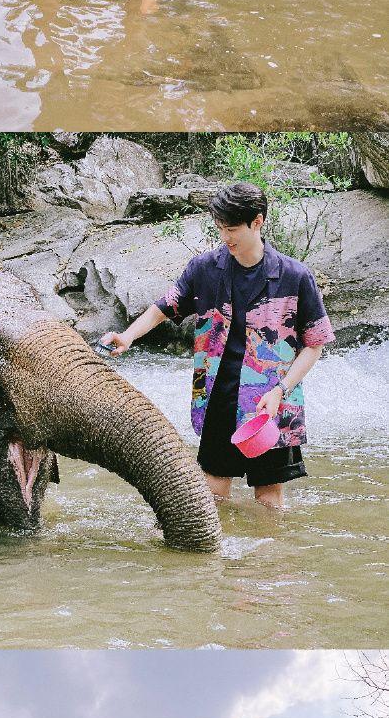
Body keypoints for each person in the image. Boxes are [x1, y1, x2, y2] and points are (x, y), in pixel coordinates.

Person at [100, 180, 334, 512]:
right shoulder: (205, 269)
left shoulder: (295, 276)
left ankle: (272, 562)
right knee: (212, 498)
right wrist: (127, 336)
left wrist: (281, 388)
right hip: (216, 399)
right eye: (220, 228)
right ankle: (214, 563)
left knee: (270, 500)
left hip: (270, 405)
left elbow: (314, 345)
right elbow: (163, 307)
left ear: (258, 221)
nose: (225, 238)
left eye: (233, 228)